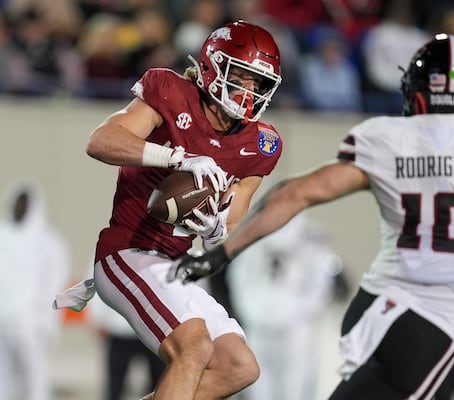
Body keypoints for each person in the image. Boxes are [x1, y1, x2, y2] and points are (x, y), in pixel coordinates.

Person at [167, 33, 454, 400]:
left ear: (414, 89)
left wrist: (223, 252)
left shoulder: (387, 136)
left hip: (375, 304)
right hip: (438, 319)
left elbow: (296, 193)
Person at [54, 20, 283, 400]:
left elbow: (235, 213)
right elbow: (101, 141)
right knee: (193, 348)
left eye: (257, 84)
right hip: (128, 250)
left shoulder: (262, 143)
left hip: (175, 265)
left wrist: (216, 228)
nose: (248, 92)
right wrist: (175, 157)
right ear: (213, 65)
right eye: (242, 77)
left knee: (239, 367)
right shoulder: (171, 90)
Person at [226, 213, 347, 400]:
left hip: (296, 330)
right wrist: (253, 313)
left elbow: (320, 286)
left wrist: (293, 314)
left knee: (295, 389)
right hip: (258, 326)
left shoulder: (313, 237)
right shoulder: (253, 233)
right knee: (258, 389)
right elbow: (238, 277)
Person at [0, 178, 71, 400]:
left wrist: (50, 322)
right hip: (3, 323)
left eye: (24, 203)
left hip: (32, 325)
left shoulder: (49, 241)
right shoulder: (4, 236)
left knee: (35, 383)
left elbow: (56, 284)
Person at [88, 290, 165, 400]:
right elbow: (95, 286)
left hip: (152, 332)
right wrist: (97, 319)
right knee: (115, 383)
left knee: (159, 382)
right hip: (120, 331)